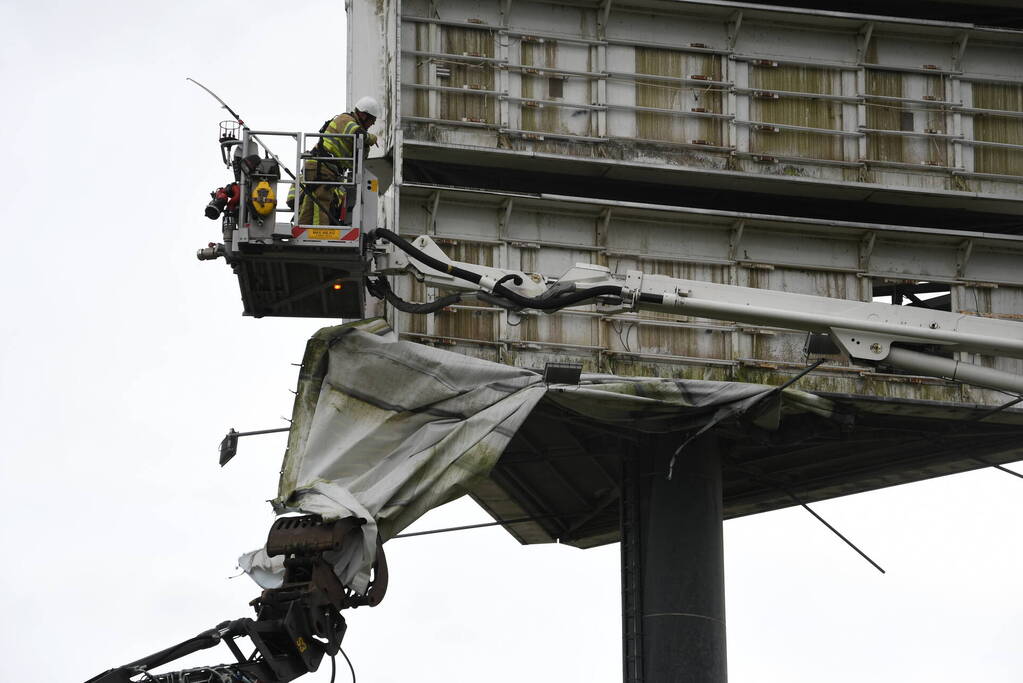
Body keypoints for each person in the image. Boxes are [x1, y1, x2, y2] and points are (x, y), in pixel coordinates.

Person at [289, 96, 381, 225]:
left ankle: (304, 228)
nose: (373, 124)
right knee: (322, 203)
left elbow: (354, 159)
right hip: (323, 167)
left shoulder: (350, 124)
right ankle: (318, 234)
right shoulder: (345, 120)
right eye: (372, 120)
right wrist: (371, 138)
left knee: (311, 204)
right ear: (363, 115)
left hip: (320, 166)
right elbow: (357, 133)